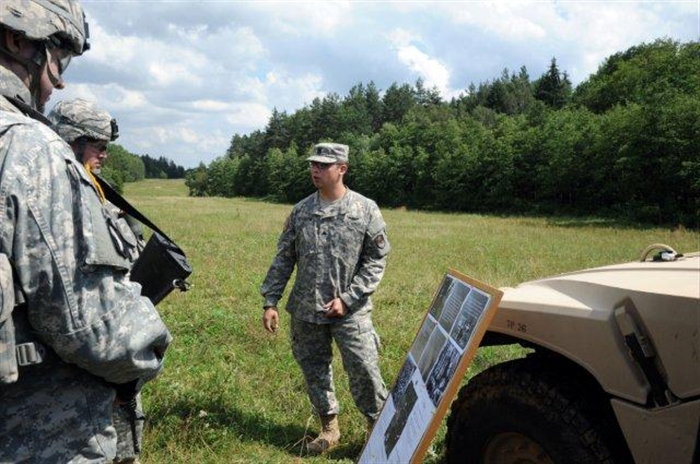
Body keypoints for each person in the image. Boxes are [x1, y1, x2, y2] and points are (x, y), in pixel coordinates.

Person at [0, 1, 172, 462]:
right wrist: (150, 343)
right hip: (35, 433)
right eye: (61, 59)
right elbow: (92, 328)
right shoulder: (30, 150)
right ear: (19, 40)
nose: (60, 80)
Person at [260, 142, 391, 454]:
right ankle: (329, 429)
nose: (315, 170)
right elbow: (283, 258)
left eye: (323, 165)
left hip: (351, 312)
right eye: (312, 165)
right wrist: (270, 301)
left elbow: (377, 260)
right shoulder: (302, 211)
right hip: (306, 311)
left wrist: (348, 298)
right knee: (314, 371)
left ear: (342, 169)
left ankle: (380, 432)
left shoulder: (364, 209)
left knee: (364, 370)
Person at [48, 98, 146, 463]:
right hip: (88, 358)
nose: (104, 155)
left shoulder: (99, 192)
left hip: (116, 344)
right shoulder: (59, 199)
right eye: (97, 146)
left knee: (123, 445)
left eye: (107, 148)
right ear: (70, 141)